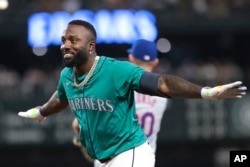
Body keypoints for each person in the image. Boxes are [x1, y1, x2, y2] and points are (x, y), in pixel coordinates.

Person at [18, 19, 247, 167]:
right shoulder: (67, 76)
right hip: (105, 158)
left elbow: (163, 83)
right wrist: (41, 111)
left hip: (130, 154)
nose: (65, 44)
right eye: (64, 40)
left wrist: (205, 92)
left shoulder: (116, 70)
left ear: (91, 46)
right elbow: (60, 98)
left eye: (73, 40)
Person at [72, 39, 169, 167]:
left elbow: (77, 124)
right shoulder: (162, 95)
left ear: (131, 58)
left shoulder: (116, 85)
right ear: (155, 62)